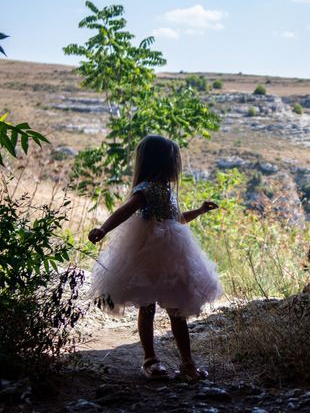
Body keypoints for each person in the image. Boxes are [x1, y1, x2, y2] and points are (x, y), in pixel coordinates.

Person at [87, 134, 223, 382]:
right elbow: (124, 211)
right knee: (147, 306)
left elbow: (177, 218)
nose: (176, 167)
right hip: (148, 253)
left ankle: (187, 363)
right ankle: (151, 360)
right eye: (173, 162)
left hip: (173, 255)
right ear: (160, 163)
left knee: (177, 310)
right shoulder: (146, 190)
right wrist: (103, 229)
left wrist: (200, 211)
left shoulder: (167, 192)